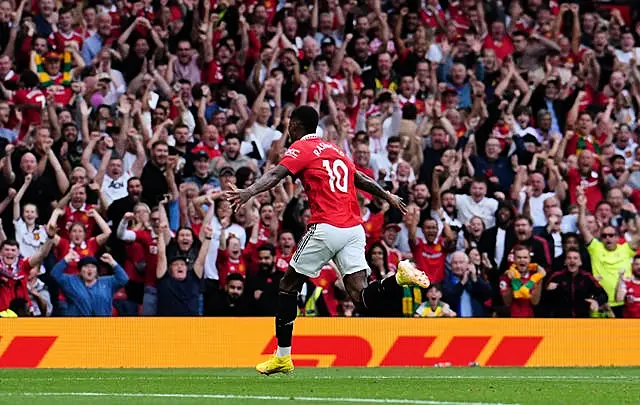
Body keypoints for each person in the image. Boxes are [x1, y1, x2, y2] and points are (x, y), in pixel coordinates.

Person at [225, 105, 429, 375]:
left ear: (296, 125)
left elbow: (276, 174)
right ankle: (398, 278)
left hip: (327, 227)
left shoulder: (300, 148)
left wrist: (248, 191)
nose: (288, 127)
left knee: (287, 286)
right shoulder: (335, 150)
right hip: (354, 229)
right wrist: (387, 195)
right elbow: (360, 178)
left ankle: (282, 356)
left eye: (290, 122)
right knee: (361, 298)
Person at [50, 251, 128, 316]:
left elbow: (123, 279)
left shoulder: (107, 282)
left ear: (97, 271)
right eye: (86, 266)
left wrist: (113, 263)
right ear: (80, 271)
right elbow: (54, 275)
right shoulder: (71, 281)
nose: (89, 269)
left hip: (102, 326)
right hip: (78, 327)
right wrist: (66, 260)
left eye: (93, 267)